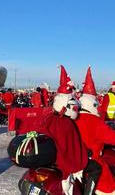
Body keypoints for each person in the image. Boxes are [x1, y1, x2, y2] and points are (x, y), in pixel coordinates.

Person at [76, 67, 115, 195]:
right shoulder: (107, 97)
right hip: (108, 123)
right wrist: (101, 121)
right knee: (105, 173)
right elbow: (103, 111)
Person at [38, 65, 91, 195]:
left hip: (50, 162)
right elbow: (72, 151)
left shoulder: (50, 118)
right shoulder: (66, 124)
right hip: (64, 167)